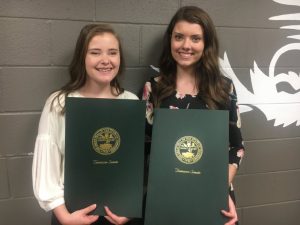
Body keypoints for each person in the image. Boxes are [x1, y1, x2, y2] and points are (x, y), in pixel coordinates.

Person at [142, 6, 245, 225]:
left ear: (206, 43)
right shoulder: (153, 88)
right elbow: (144, 146)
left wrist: (218, 191)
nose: (186, 45)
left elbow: (236, 147)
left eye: (195, 38)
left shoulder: (224, 89)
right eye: (179, 37)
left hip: (214, 197)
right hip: (165, 198)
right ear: (170, 40)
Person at [32, 24, 142, 225]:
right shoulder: (59, 103)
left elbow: (133, 167)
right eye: (95, 52)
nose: (105, 60)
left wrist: (130, 209)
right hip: (72, 215)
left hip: (121, 216)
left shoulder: (131, 102)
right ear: (82, 57)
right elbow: (47, 164)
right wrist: (65, 218)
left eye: (112, 53)